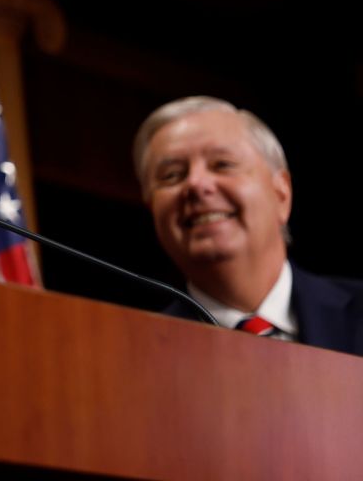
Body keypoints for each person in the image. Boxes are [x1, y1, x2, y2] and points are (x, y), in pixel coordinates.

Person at [133, 96, 363, 354]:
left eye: (223, 164)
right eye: (172, 175)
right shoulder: (137, 352)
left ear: (281, 193)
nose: (196, 184)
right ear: (152, 209)